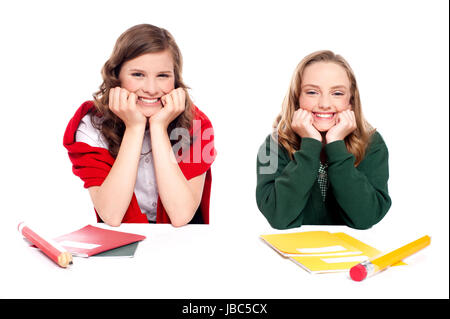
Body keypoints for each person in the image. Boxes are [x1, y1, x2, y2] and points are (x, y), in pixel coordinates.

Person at [63, 24, 216, 227]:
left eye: (163, 76)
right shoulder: (92, 126)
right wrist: (134, 128)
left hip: (178, 242)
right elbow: (111, 215)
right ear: (116, 77)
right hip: (123, 242)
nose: (151, 89)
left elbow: (181, 216)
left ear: (175, 80)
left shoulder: (197, 124)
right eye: (137, 75)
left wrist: (159, 127)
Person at [256, 50, 391, 230]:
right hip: (293, 252)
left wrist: (336, 144)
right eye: (312, 92)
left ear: (350, 101)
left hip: (350, 253)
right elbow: (278, 217)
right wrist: (310, 144)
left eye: (337, 93)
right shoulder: (272, 146)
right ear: (297, 99)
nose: (325, 104)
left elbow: (366, 218)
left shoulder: (372, 143)